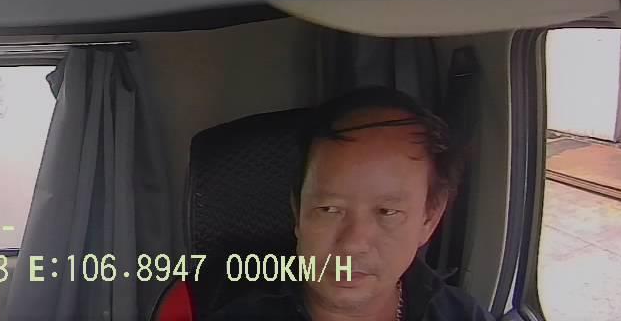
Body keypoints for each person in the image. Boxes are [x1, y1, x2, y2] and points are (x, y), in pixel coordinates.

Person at [206, 87, 494, 320]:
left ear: (428, 220)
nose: (353, 244)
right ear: (298, 211)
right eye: (329, 209)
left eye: (387, 212)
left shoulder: (462, 315)